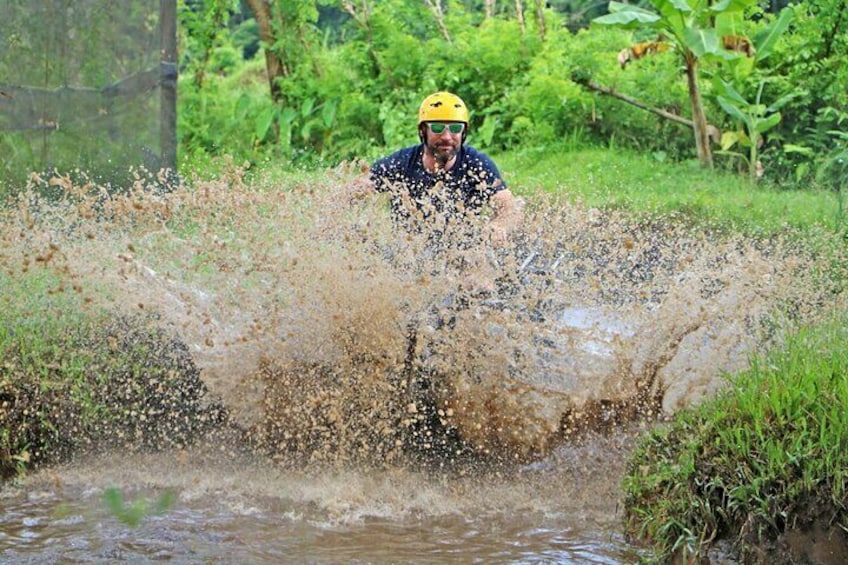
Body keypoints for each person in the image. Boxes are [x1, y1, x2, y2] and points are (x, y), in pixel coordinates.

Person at [366, 91, 522, 246]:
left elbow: (508, 206)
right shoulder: (401, 164)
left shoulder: (476, 165)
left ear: (464, 132)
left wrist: (499, 226)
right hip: (409, 252)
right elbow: (358, 188)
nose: (447, 136)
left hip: (461, 256)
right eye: (438, 128)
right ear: (423, 131)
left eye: (455, 129)